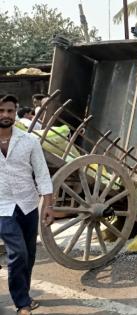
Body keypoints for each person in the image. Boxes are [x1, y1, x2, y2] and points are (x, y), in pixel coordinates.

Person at [0, 94, 55, 315]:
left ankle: (25, 294)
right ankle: (22, 303)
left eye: (10, 111)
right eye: (1, 110)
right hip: (2, 207)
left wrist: (48, 206)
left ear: (15, 113)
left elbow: (42, 174)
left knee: (30, 253)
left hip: (28, 204)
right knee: (18, 252)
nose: (5, 115)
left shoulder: (29, 141)